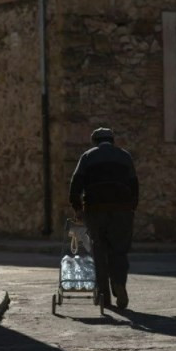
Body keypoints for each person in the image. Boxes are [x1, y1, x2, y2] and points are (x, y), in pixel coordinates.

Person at [69, 127, 139, 309]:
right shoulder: (125, 156)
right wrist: (131, 207)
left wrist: (77, 207)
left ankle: (103, 296)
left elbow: (75, 184)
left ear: (95, 141)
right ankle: (119, 284)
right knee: (119, 250)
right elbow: (134, 184)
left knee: (99, 251)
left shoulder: (87, 157)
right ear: (112, 140)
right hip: (121, 210)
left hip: (95, 209)